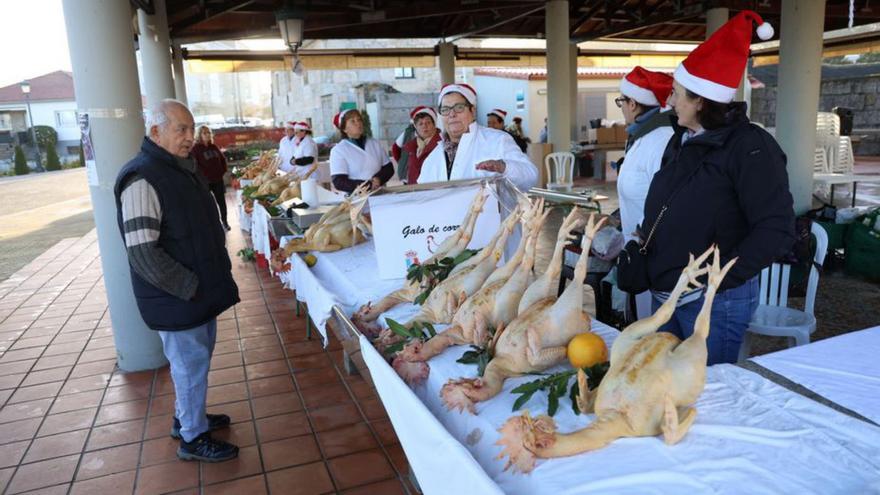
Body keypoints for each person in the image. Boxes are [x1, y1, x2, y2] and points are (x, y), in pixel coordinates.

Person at [641, 11, 793, 365]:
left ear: (700, 100)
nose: (670, 102)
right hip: (670, 292)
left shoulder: (751, 147)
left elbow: (775, 228)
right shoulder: (684, 139)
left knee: (708, 393)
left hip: (713, 301)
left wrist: (717, 281)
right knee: (666, 385)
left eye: (677, 94)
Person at [114, 99, 240, 462]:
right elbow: (142, 253)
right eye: (180, 129)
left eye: (191, 128)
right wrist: (189, 288)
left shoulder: (181, 168)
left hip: (195, 293)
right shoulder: (141, 178)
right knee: (187, 366)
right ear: (155, 132)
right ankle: (193, 438)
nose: (189, 137)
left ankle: (188, 417)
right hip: (180, 295)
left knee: (195, 364)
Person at [615, 67, 675, 319]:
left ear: (633, 103)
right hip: (642, 252)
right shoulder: (642, 135)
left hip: (657, 254)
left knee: (657, 329)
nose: (620, 107)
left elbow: (667, 199)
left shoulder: (661, 139)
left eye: (621, 101)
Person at [418, 83, 538, 191]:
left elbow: (531, 177)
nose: (452, 114)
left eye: (459, 107)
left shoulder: (497, 140)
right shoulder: (433, 158)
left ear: (473, 111)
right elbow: (422, 195)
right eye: (445, 110)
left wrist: (503, 167)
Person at [329, 108, 394, 193]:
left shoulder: (374, 143)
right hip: (355, 199)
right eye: (353, 121)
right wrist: (367, 185)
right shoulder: (338, 150)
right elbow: (339, 181)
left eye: (359, 120)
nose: (358, 123)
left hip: (378, 193)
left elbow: (388, 168)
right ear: (344, 129)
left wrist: (379, 179)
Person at [191, 125, 230, 231]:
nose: (207, 134)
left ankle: (225, 222)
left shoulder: (213, 147)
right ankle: (213, 225)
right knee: (208, 205)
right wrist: (201, 178)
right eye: (204, 133)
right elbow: (194, 166)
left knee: (221, 202)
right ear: (199, 135)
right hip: (205, 182)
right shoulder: (195, 149)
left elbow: (222, 159)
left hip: (218, 180)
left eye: (208, 132)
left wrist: (222, 171)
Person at [399, 106, 441, 184]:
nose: (424, 126)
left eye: (428, 122)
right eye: (420, 124)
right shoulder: (411, 146)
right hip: (414, 190)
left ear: (434, 124)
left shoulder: (442, 144)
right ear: (416, 127)